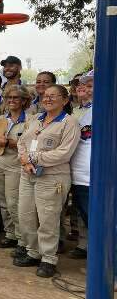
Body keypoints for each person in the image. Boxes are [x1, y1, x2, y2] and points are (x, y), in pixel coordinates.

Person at [14, 85, 80, 278]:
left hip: (52, 177)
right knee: (25, 215)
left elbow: (64, 153)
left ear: (65, 100)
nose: (48, 99)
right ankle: (33, 252)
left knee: (47, 219)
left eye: (54, 96)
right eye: (46, 95)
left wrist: (34, 158)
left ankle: (48, 259)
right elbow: (22, 143)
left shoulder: (69, 123)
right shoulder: (35, 119)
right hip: (28, 174)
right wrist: (25, 161)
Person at [0, 85, 31, 252]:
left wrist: (13, 143)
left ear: (24, 101)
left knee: (14, 204)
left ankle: (22, 239)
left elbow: (32, 145)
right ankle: (10, 234)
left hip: (15, 167)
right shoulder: (1, 119)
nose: (11, 101)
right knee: (2, 202)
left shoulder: (30, 121)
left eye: (16, 98)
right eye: (8, 98)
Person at [68, 72, 93, 259]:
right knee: (88, 218)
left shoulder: (106, 109)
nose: (83, 87)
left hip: (95, 176)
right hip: (77, 174)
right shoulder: (76, 111)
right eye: (82, 84)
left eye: (91, 85)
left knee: (102, 223)